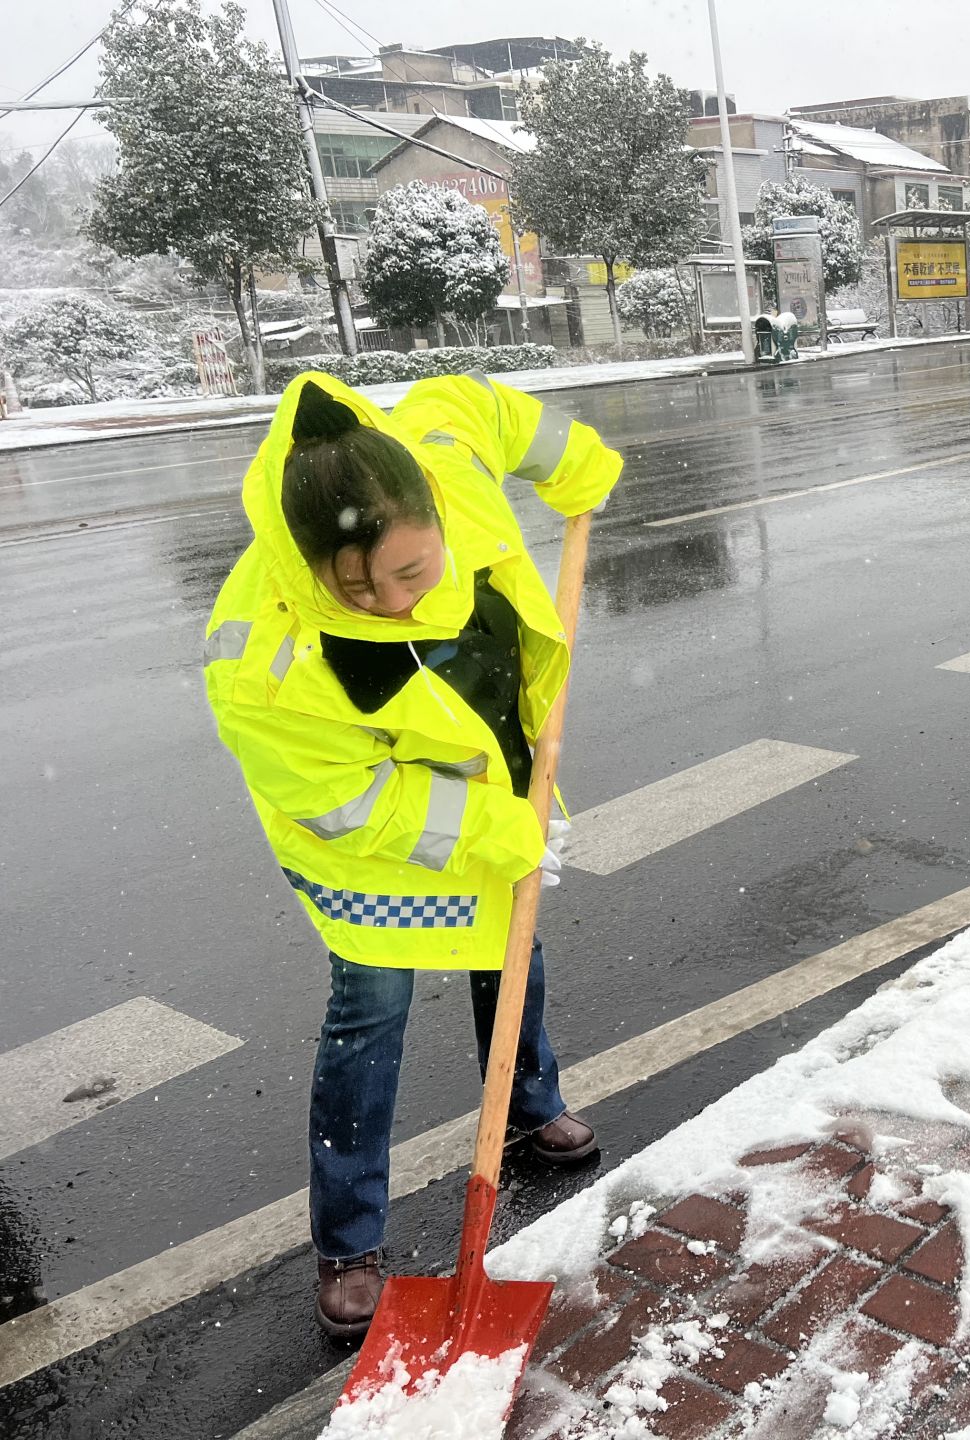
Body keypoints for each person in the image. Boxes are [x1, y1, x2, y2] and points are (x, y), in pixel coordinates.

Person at [203, 371, 621, 1340]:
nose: (394, 601)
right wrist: (493, 830)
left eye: (414, 571)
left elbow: (508, 417)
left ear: (435, 505)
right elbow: (342, 800)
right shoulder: (262, 655)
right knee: (371, 1013)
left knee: (512, 945)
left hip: (490, 772)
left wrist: (581, 468)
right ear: (311, 565)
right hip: (371, 853)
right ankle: (349, 1239)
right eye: (359, 586)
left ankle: (528, 1102)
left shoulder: (442, 445)